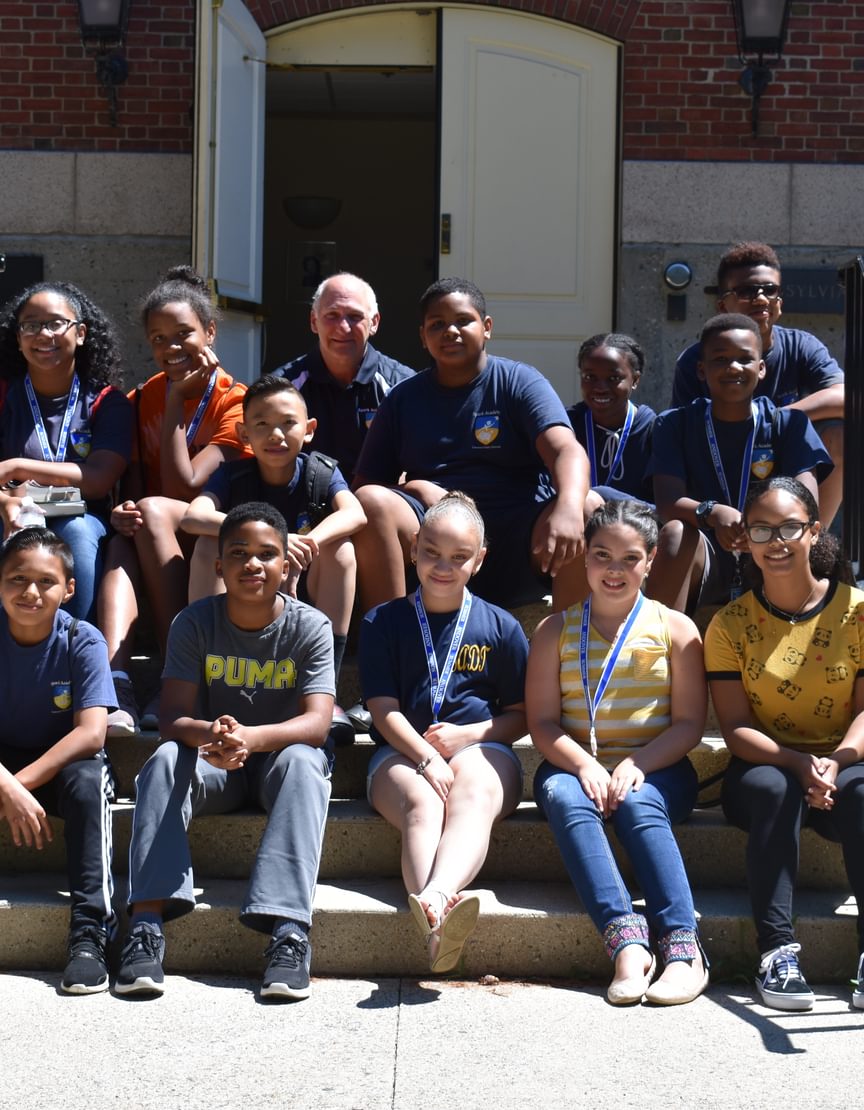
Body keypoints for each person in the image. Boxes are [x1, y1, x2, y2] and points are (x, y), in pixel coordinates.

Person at [115, 502, 334, 1000]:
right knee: (166, 760)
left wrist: (251, 738)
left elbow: (318, 724)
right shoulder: (194, 623)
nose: (252, 564)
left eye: (266, 554)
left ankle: (288, 932)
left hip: (278, 762)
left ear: (286, 565)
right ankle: (146, 924)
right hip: (216, 765)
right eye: (238, 553)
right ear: (219, 566)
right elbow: (171, 717)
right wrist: (211, 735)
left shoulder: (311, 626)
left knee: (306, 762)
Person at [527, 500, 709, 1006]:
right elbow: (542, 723)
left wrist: (636, 765)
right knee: (565, 797)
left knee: (638, 801)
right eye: (602, 555)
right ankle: (628, 944)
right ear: (585, 559)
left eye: (630, 558)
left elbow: (691, 724)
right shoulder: (553, 631)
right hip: (572, 764)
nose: (614, 569)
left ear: (650, 561)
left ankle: (682, 948)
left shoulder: (676, 629)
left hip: (659, 767)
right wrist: (584, 764)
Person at [705, 476, 864, 1012]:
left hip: (844, 762)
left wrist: (836, 761)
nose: (776, 540)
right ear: (744, 538)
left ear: (814, 532)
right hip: (764, 766)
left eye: (790, 527)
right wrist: (797, 763)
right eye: (761, 528)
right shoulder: (729, 625)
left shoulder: (858, 612)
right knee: (776, 788)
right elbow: (734, 728)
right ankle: (777, 951)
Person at [360, 492, 528, 973]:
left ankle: (433, 899)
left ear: (479, 560)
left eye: (459, 557)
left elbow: (520, 715)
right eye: (431, 552)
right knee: (425, 801)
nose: (442, 566)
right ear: (413, 547)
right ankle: (440, 922)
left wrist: (468, 736)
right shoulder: (382, 622)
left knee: (471, 788)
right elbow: (381, 709)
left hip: (483, 751)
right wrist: (426, 756)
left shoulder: (502, 626)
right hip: (399, 753)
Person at [352, 277, 590, 613]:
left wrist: (568, 505)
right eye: (437, 325)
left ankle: (567, 652)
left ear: (487, 327)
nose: (450, 331)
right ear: (423, 337)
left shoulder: (520, 381)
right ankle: (392, 640)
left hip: (520, 538)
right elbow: (365, 487)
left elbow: (566, 450)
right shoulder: (402, 399)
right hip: (438, 540)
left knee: (587, 504)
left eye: (463, 320)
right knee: (371, 502)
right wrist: (417, 488)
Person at [97, 265, 251, 734]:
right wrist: (122, 510)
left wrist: (177, 406)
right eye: (158, 338)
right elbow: (140, 479)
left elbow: (186, 486)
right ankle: (115, 682)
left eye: (183, 334)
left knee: (156, 511)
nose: (171, 348)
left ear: (210, 332)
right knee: (124, 537)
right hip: (158, 529)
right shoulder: (141, 394)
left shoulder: (237, 401)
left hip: (210, 533)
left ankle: (174, 674)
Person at [181, 374, 366, 738]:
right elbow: (193, 516)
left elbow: (355, 513)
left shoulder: (321, 473)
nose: (276, 435)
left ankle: (322, 690)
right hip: (243, 598)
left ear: (309, 429)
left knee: (340, 550)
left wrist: (308, 541)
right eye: (262, 425)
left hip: (304, 596)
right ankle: (204, 680)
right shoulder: (233, 475)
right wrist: (272, 543)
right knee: (206, 544)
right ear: (244, 433)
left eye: (288, 423)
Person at [649, 313, 832, 612]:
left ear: (761, 369)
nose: (733, 367)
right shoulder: (674, 424)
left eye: (744, 359)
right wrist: (712, 512)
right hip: (706, 553)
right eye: (720, 359)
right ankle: (656, 648)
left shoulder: (789, 424)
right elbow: (667, 502)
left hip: (768, 545)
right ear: (701, 370)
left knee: (799, 532)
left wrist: (757, 526)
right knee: (675, 534)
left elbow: (806, 502)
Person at [0, 527, 116, 993]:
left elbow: (91, 733)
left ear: (69, 590)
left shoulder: (82, 639)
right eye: (16, 579)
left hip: (60, 763)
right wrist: (7, 787)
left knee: (92, 780)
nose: (30, 592)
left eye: (46, 582)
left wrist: (18, 785)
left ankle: (90, 931)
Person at [671, 241, 844, 525]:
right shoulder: (695, 360)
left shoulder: (801, 346)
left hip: (783, 461)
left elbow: (845, 397)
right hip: (720, 465)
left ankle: (812, 546)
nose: (761, 298)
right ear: (722, 305)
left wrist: (772, 420)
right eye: (746, 291)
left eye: (770, 290)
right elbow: (682, 434)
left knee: (838, 433)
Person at [0, 280, 132, 620]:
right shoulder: (4, 396)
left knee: (77, 532)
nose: (44, 334)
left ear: (82, 333)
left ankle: (74, 648)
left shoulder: (107, 402)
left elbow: (98, 480)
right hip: (10, 505)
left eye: (56, 323)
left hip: (81, 509)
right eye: (30, 325)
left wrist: (17, 467)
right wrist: (8, 503)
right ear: (18, 337)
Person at [272, 273, 414, 481]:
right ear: (314, 321)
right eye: (332, 315)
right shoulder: (283, 387)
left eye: (355, 316)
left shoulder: (402, 385)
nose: (343, 327)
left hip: (377, 504)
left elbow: (416, 465)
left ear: (374, 323)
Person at [567, 332, 655, 505]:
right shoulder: (565, 426)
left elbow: (663, 507)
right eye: (589, 377)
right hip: (580, 524)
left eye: (613, 378)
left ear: (635, 380)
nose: (600, 388)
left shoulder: (654, 429)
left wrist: (604, 495)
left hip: (638, 527)